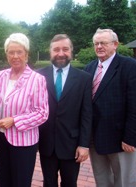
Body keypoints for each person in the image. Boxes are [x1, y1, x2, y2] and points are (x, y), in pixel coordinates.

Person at [0, 33, 49, 187]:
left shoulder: (37, 79)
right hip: (1, 139)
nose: (15, 56)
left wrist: (15, 120)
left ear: (26, 54)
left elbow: (42, 113)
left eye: (19, 52)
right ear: (6, 54)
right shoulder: (0, 76)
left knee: (20, 182)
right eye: (11, 52)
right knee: (4, 181)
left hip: (23, 142)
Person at [84, 28, 136, 187]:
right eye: (96, 43)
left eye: (104, 43)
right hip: (95, 139)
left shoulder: (131, 67)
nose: (99, 46)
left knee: (124, 182)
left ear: (115, 44)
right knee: (102, 181)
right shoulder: (89, 68)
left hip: (121, 141)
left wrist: (131, 137)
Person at [37, 34, 93, 187]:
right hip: (46, 143)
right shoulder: (39, 76)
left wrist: (84, 144)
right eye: (56, 49)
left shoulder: (84, 79)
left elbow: (87, 114)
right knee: (48, 182)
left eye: (65, 49)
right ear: (50, 52)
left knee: (70, 183)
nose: (60, 53)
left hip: (72, 144)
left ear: (71, 51)